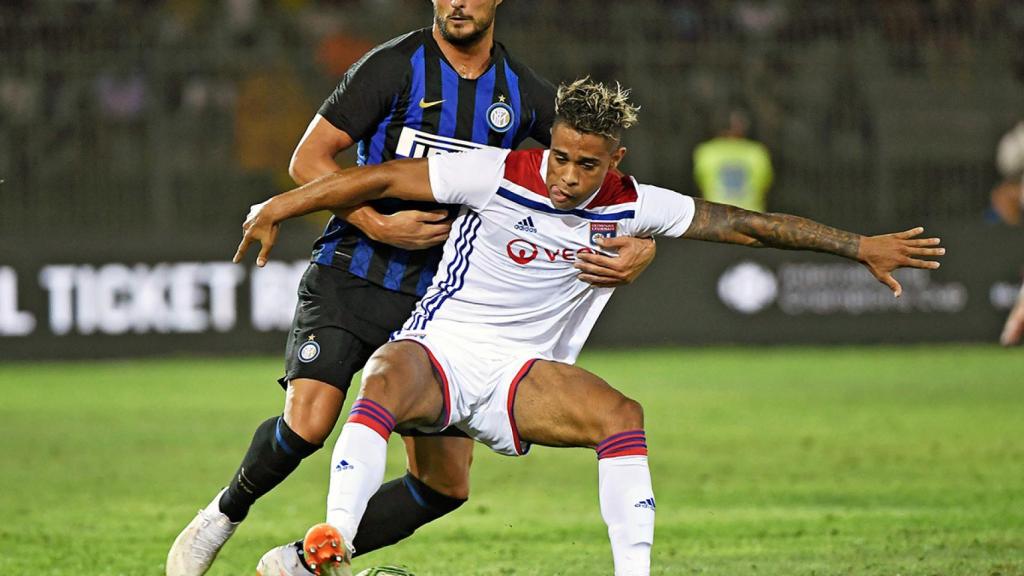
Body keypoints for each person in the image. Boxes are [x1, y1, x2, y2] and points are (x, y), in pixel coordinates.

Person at [235, 78, 945, 576]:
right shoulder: (496, 173)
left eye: (586, 164)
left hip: (523, 374)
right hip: (443, 349)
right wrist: (281, 205)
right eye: (561, 156)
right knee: (386, 376)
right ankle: (330, 537)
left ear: (614, 162)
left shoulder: (636, 204)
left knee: (620, 414)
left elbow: (750, 226)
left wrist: (858, 248)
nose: (567, 176)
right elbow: (381, 177)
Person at [165, 2, 657, 575]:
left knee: (445, 486)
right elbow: (308, 160)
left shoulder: (524, 92)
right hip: (355, 272)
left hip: (442, 306)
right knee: (309, 423)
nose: (458, 3)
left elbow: (597, 176)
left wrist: (643, 245)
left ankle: (303, 562)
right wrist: (375, 221)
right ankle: (223, 515)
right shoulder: (393, 67)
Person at [693, 108, 773, 213]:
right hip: (751, 216)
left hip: (715, 217)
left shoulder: (706, 150)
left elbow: (701, 181)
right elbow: (765, 183)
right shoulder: (756, 151)